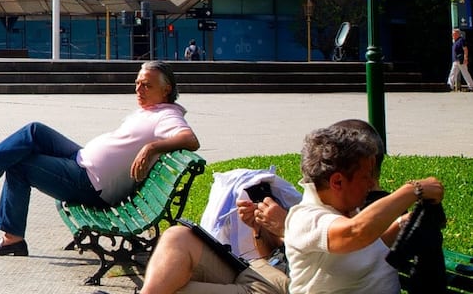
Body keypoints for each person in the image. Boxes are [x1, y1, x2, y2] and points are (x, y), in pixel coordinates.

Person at [0, 61, 201, 255]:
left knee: (20, 164)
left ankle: (12, 237)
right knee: (34, 131)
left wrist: (152, 147)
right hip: (81, 159)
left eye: (147, 85)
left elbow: (191, 140)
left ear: (166, 90)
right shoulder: (152, 109)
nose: (139, 90)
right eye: (138, 84)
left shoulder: (168, 115)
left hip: (91, 183)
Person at [284, 119, 444, 294]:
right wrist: (413, 189)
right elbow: (354, 233)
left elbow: (364, 249)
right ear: (337, 182)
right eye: (366, 177)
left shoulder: (349, 208)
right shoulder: (305, 218)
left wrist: (402, 224)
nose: (371, 184)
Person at [141, 196, 292, 294]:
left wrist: (287, 227)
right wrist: (258, 228)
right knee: (178, 236)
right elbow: (273, 253)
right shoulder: (310, 201)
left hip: (281, 285)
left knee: (169, 289)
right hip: (254, 270)